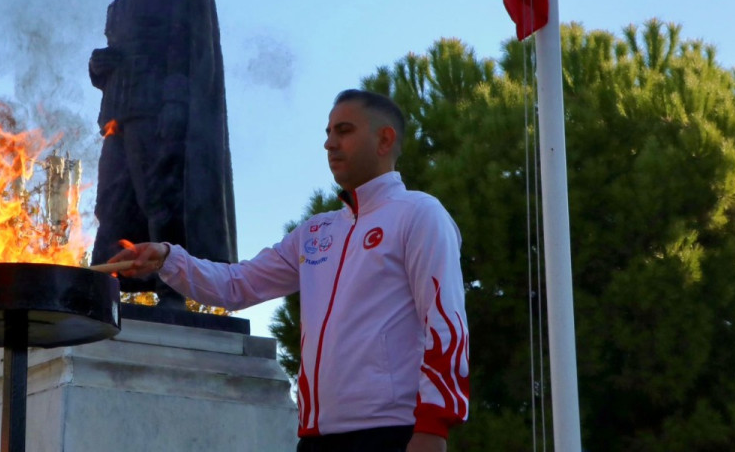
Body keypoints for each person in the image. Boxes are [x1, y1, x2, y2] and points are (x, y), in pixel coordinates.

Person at [110, 89, 469, 452]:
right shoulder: (315, 231)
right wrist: (167, 258)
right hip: (314, 439)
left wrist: (433, 428)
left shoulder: (420, 214)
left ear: (385, 139)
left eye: (344, 131)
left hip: (392, 433)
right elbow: (237, 285)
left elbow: (445, 323)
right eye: (328, 133)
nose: (330, 144)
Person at [90, 0, 236, 310]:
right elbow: (118, 56)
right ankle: (110, 283)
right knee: (112, 202)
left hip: (160, 111)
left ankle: (173, 288)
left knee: (163, 198)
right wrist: (99, 67)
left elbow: (188, 45)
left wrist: (175, 105)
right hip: (120, 113)